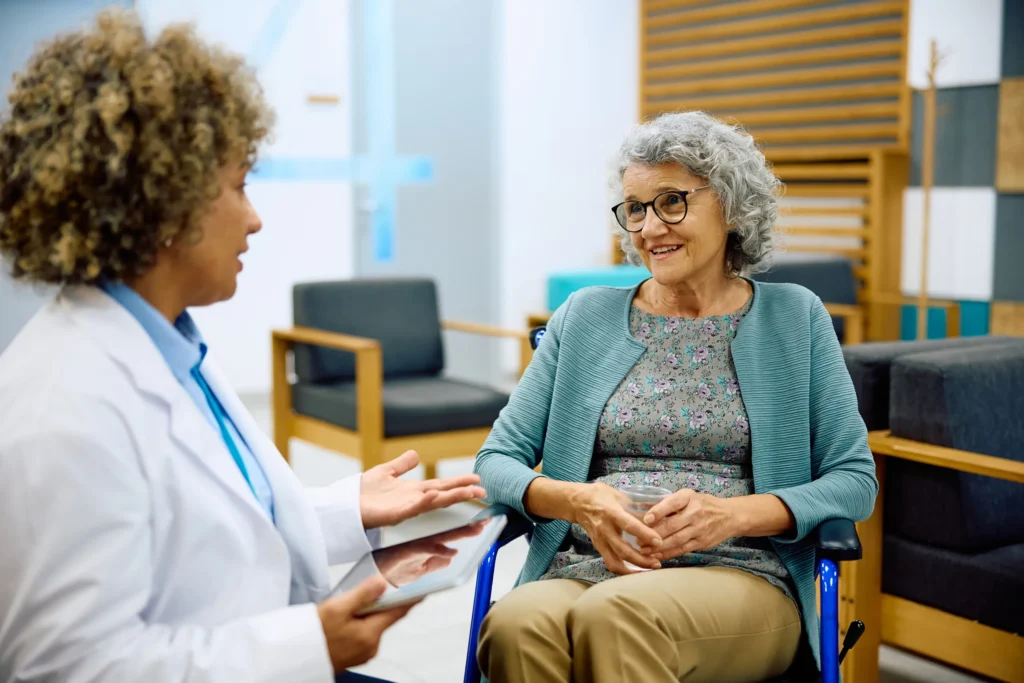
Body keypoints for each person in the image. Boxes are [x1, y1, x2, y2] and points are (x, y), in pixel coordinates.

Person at [0, 10, 484, 683]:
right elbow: (70, 667)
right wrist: (309, 645)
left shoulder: (169, 345)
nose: (255, 218)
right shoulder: (63, 410)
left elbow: (214, 537)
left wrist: (348, 508)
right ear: (163, 204)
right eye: (238, 186)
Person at [474, 111, 878, 683]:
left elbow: (854, 481)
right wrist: (580, 503)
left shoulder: (796, 318)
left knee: (615, 615)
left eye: (671, 201)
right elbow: (494, 462)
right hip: (587, 562)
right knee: (516, 623)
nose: (649, 228)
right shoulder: (585, 317)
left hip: (743, 572)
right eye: (635, 209)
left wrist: (731, 515)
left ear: (733, 207)